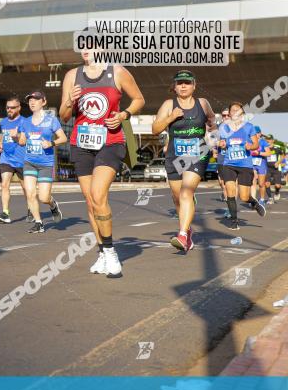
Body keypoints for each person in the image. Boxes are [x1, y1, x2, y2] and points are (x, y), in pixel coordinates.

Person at [59, 53, 144, 278]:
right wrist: (70, 100)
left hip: (111, 141)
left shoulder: (117, 71)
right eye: (82, 46)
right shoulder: (72, 76)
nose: (86, 50)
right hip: (81, 143)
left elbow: (139, 99)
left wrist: (124, 114)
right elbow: (64, 116)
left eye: (91, 44)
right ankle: (102, 252)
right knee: (90, 202)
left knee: (98, 195)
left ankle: (110, 250)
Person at [151, 70, 217, 252]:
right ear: (174, 86)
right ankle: (187, 232)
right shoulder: (168, 104)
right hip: (174, 156)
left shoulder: (202, 103)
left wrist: (213, 127)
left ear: (194, 85)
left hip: (197, 153)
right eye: (179, 83)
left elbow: (211, 118)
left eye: (187, 83)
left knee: (186, 192)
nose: (183, 86)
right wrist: (171, 117)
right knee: (178, 198)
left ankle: (181, 234)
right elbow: (155, 129)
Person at [16, 91, 67, 233]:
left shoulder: (51, 120)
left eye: (36, 100)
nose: (32, 102)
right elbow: (22, 142)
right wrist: (17, 137)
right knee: (30, 194)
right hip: (29, 162)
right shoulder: (25, 122)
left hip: (45, 163)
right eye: (30, 100)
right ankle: (39, 223)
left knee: (44, 197)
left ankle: (53, 205)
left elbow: (63, 138)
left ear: (43, 102)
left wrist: (51, 143)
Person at [218, 102, 266, 230]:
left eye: (238, 110)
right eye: (233, 110)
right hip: (229, 164)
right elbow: (221, 142)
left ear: (242, 114)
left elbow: (256, 144)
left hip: (245, 165)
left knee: (244, 196)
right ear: (230, 113)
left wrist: (250, 146)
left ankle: (254, 202)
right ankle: (234, 222)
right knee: (230, 192)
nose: (235, 112)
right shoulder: (224, 128)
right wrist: (221, 144)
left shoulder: (249, 127)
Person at [0, 96, 31, 224]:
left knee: (25, 188)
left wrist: (16, 137)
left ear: (19, 108)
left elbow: (25, 141)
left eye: (12, 107)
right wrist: (0, 144)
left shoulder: (25, 122)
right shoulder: (4, 122)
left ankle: (31, 210)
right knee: (4, 184)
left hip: (21, 159)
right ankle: (5, 213)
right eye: (7, 107)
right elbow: (4, 135)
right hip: (6, 158)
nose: (9, 109)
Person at [251, 126, 272, 204]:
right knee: (253, 182)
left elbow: (269, 153)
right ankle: (253, 200)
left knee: (261, 184)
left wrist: (259, 153)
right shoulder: (250, 141)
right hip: (252, 164)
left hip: (261, 165)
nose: (256, 135)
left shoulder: (263, 142)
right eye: (254, 133)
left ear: (260, 133)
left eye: (257, 133)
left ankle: (262, 199)